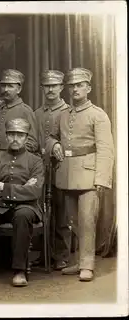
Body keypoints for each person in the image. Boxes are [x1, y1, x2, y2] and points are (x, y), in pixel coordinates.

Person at [46, 68, 114, 282]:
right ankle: (79, 261)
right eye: (72, 86)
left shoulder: (98, 114)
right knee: (72, 221)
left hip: (88, 175)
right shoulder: (63, 114)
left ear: (88, 88)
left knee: (86, 221)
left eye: (79, 85)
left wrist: (101, 178)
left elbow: (106, 149)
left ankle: (87, 265)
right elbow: (50, 136)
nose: (75, 89)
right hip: (66, 174)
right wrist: (54, 144)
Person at [0, 118, 44, 287]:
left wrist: (5, 188)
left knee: (22, 215)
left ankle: (19, 270)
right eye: (11, 134)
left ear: (26, 138)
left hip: (26, 207)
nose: (15, 138)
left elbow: (35, 192)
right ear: (6, 136)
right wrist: (22, 189)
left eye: (19, 135)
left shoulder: (35, 161)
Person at [34, 70, 70, 270]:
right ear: (42, 88)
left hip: (61, 167)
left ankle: (62, 255)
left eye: (54, 86)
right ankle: (43, 253)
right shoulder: (37, 113)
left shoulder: (68, 112)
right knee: (41, 210)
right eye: (46, 86)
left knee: (61, 211)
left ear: (61, 88)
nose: (50, 90)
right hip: (40, 168)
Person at [0, 69, 39, 164]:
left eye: (10, 86)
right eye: (3, 86)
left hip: (13, 161)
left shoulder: (26, 111)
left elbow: (32, 142)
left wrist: (15, 156)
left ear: (19, 89)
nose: (5, 90)